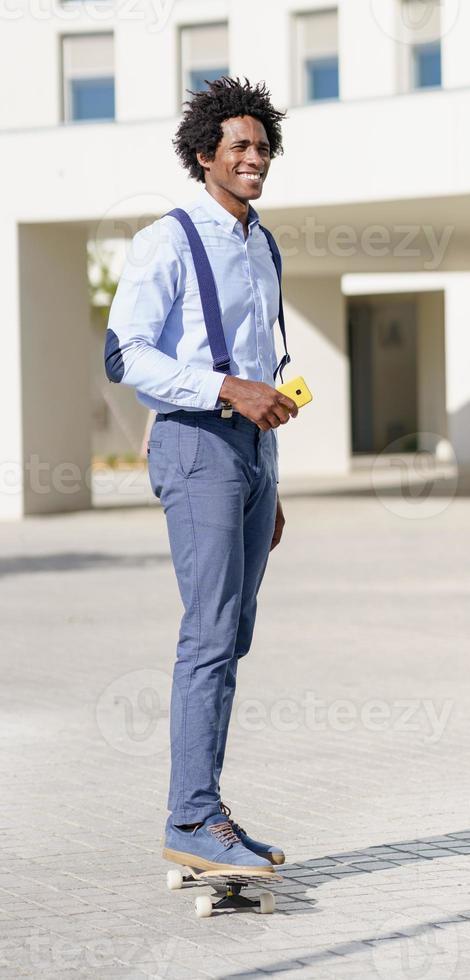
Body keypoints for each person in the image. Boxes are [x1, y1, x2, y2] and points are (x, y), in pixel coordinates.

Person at [104, 77, 297, 875]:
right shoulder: (169, 239)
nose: (254, 158)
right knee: (211, 633)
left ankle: (206, 809)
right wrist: (225, 389)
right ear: (203, 155)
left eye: (262, 146)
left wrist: (270, 476)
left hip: (251, 456)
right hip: (195, 442)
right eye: (239, 146)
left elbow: (261, 362)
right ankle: (190, 818)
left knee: (234, 634)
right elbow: (124, 355)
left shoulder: (262, 240)